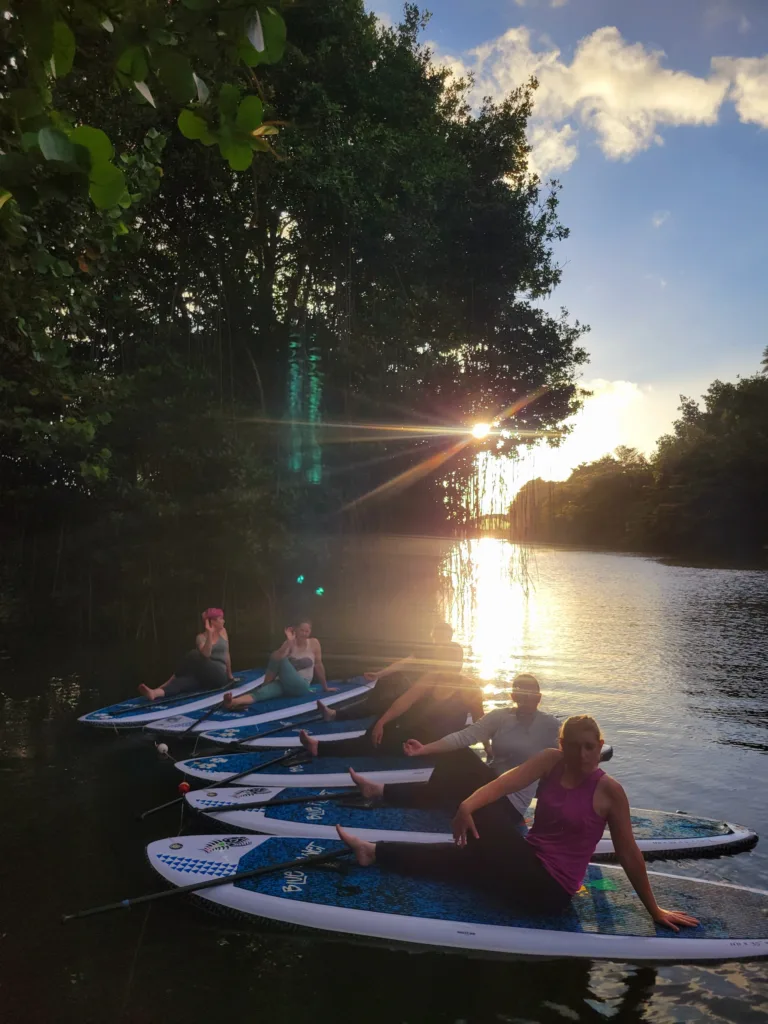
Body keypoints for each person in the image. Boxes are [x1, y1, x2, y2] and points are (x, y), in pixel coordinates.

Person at [337, 715, 700, 931]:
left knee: (477, 833)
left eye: (590, 746)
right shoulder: (549, 761)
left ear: (599, 745)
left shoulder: (610, 792)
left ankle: (394, 838)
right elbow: (501, 784)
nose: (582, 754)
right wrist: (465, 805)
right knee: (458, 858)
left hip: (549, 890)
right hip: (524, 861)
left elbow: (629, 854)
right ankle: (373, 852)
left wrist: (655, 910)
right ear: (561, 745)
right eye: (573, 746)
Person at [348, 673, 559, 828]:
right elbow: (462, 737)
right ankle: (379, 790)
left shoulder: (551, 727)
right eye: (519, 695)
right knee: (451, 765)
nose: (524, 701)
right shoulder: (500, 716)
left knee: (453, 774)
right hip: (486, 785)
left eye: (530, 696)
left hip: (509, 804)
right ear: (513, 696)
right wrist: (424, 749)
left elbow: (572, 765)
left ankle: (382, 790)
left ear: (539, 698)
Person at [299, 669, 484, 758]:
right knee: (379, 731)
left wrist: (489, 750)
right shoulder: (433, 677)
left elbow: (481, 722)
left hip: (442, 740)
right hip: (423, 728)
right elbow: (405, 701)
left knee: (377, 745)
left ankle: (320, 748)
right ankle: (327, 736)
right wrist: (381, 722)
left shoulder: (469, 688)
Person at [316, 621, 464, 725]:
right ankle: (347, 711)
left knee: (385, 702)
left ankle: (337, 714)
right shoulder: (426, 650)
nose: (439, 640)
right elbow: (404, 662)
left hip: (431, 695)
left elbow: (455, 676)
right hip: (415, 689)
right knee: (389, 682)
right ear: (433, 636)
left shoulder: (453, 651)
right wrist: (380, 674)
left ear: (449, 637)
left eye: (443, 637)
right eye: (437, 636)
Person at [223, 619, 335, 709]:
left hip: (301, 685)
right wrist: (289, 642)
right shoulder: (289, 643)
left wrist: (325, 687)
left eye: (307, 631)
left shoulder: (314, 643)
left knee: (280, 658)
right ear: (295, 630)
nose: (304, 634)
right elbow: (275, 658)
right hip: (284, 683)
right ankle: (233, 702)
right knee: (261, 693)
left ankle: (265, 684)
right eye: (302, 631)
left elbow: (318, 665)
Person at [138, 608, 234, 701]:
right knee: (182, 682)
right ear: (212, 622)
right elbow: (206, 654)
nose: (223, 621)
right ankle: (154, 693)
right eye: (220, 619)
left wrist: (230, 676)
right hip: (204, 676)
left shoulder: (223, 632)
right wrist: (209, 633)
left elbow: (227, 654)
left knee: (193, 654)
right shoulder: (200, 638)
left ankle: (170, 679)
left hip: (220, 676)